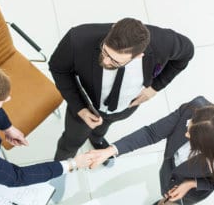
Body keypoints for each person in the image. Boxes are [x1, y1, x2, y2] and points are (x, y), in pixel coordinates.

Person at [49, 17, 194, 162]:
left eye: (115, 61)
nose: (105, 61)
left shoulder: (164, 42)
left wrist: (156, 87)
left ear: (138, 56)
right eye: (104, 51)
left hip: (124, 107)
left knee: (103, 128)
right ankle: (61, 166)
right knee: (71, 142)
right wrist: (80, 108)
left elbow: (187, 52)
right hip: (86, 105)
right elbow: (58, 68)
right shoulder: (78, 38)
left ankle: (97, 139)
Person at [88, 96, 214, 205]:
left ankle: (170, 204)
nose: (186, 134)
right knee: (165, 184)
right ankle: (167, 197)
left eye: (192, 136)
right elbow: (151, 133)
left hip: (189, 191)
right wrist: (110, 151)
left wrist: (192, 184)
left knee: (176, 200)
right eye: (188, 126)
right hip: (169, 168)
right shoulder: (195, 108)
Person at [0, 59, 91, 198]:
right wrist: (72, 164)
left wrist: (7, 127)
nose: (8, 98)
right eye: (1, 101)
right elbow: (17, 177)